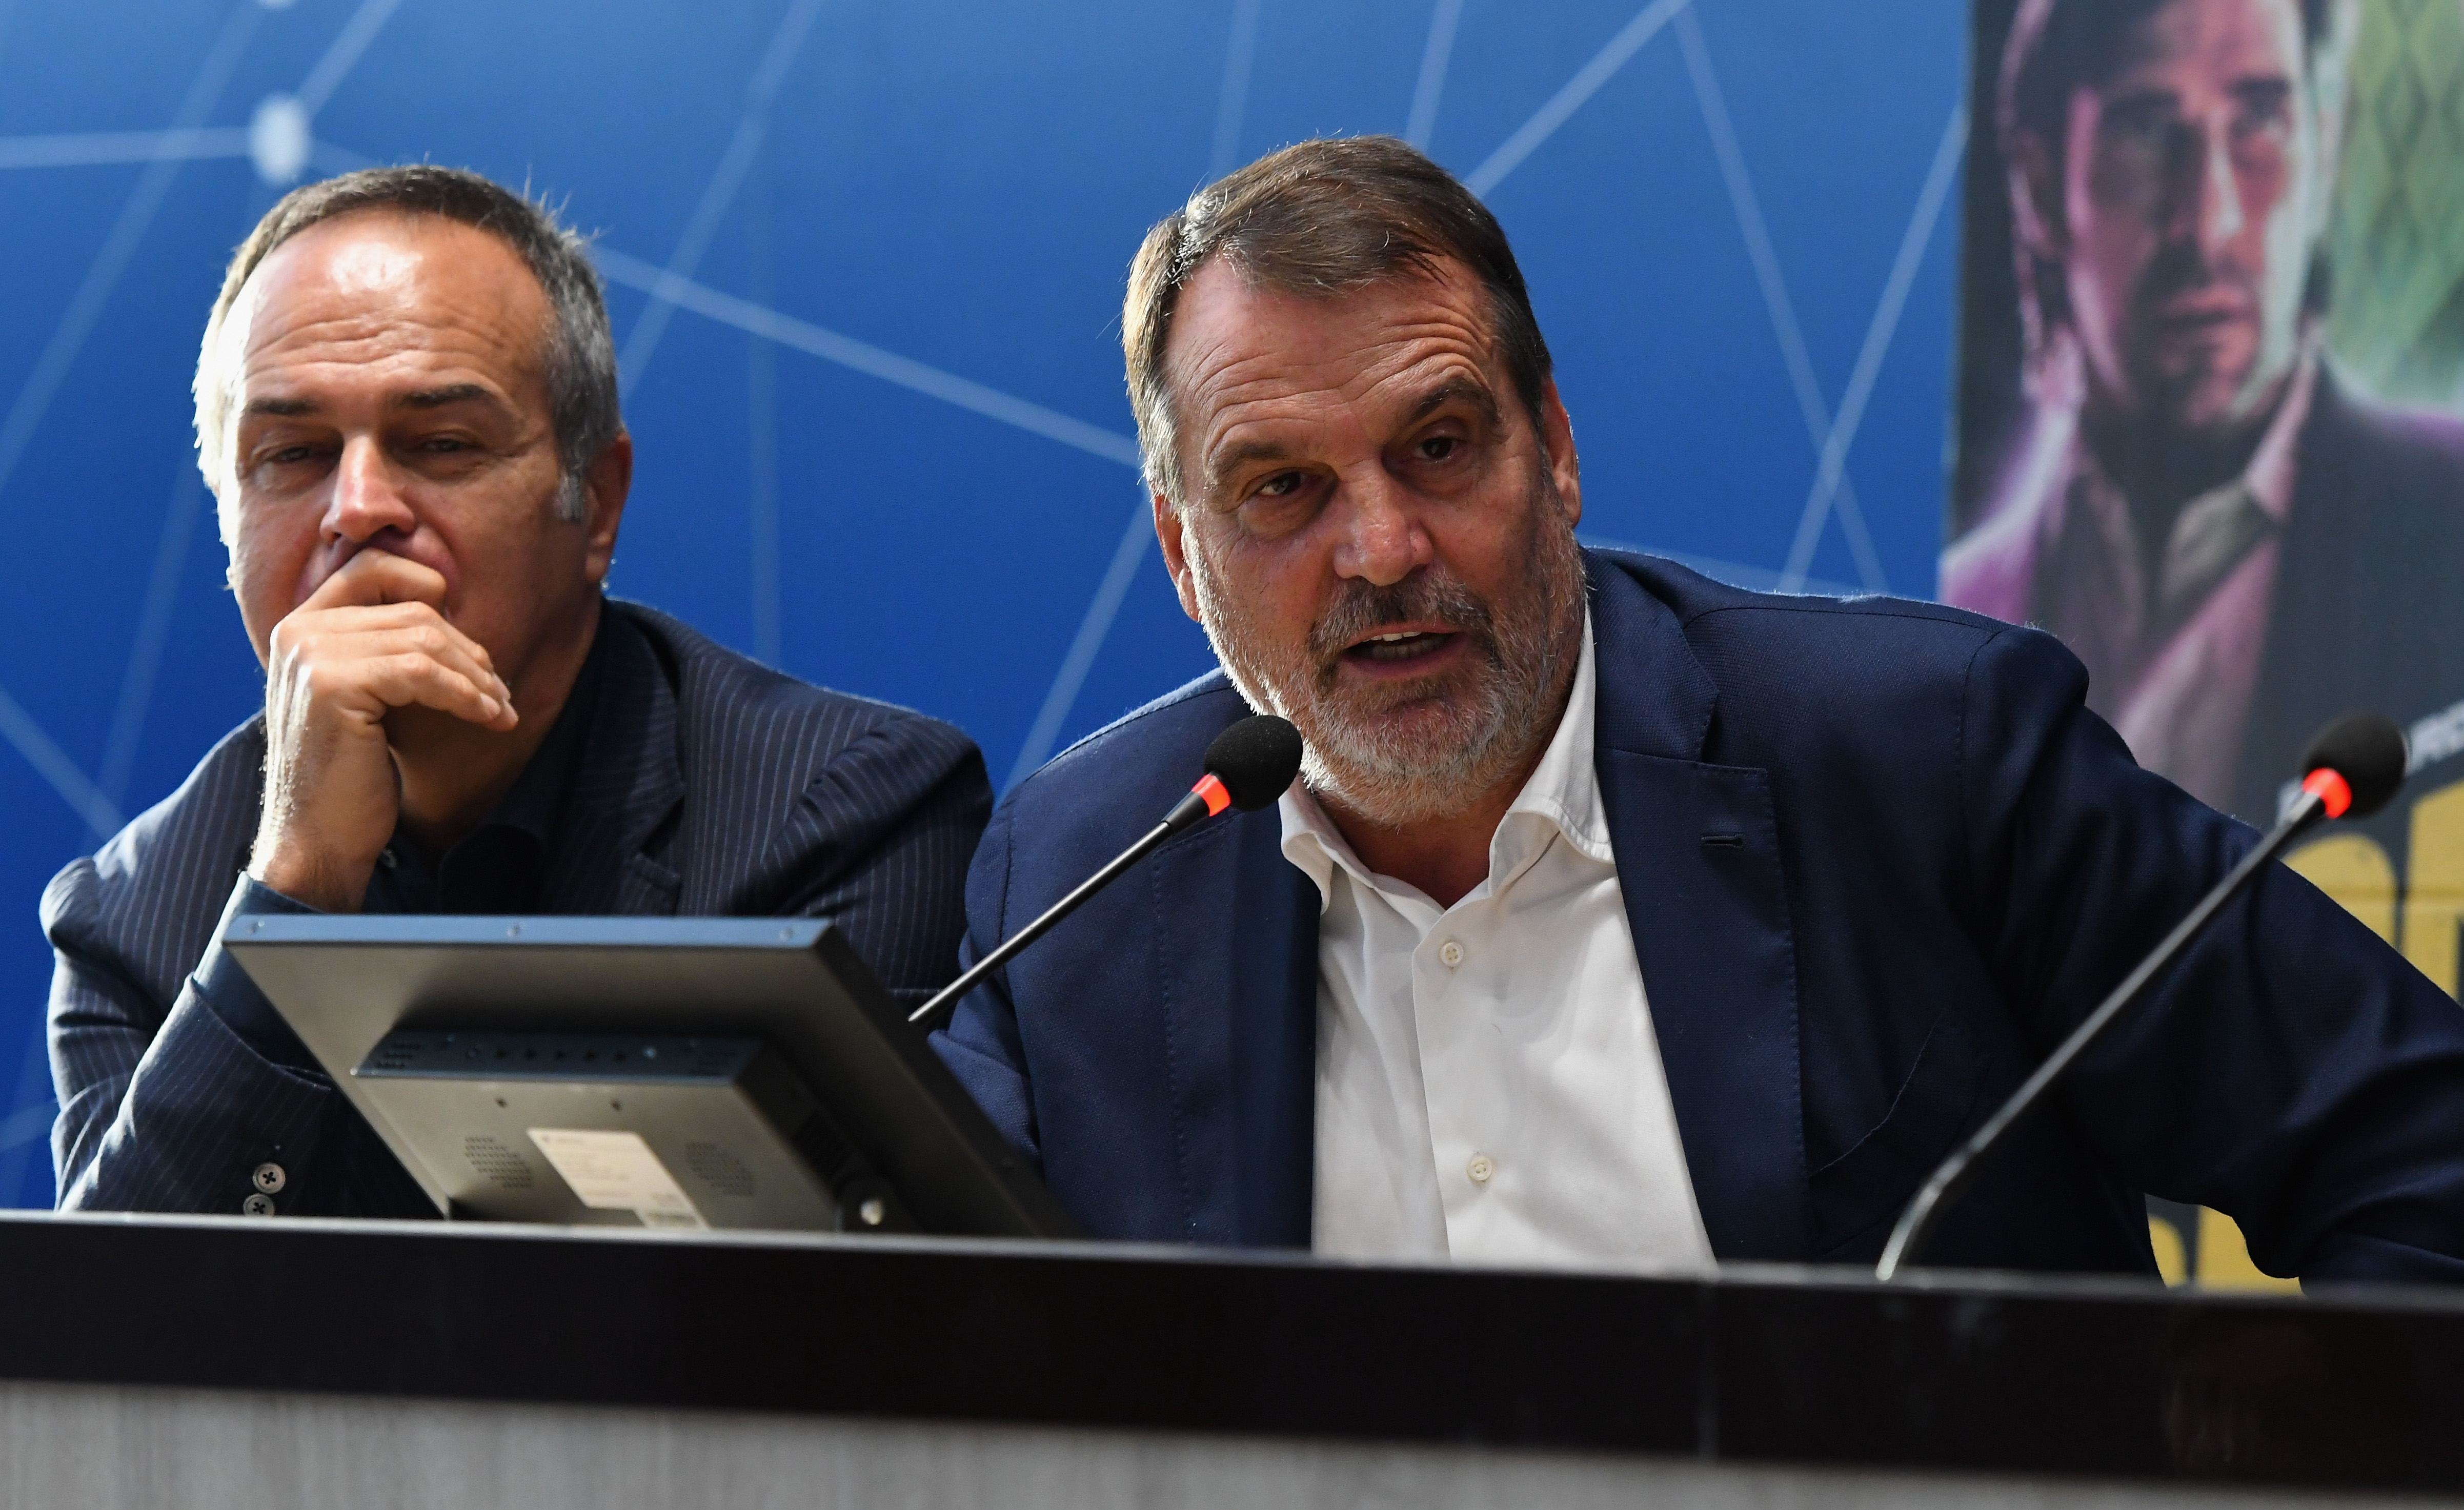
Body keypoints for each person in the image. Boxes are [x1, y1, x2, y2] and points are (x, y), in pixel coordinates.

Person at [933, 136, 2464, 1282]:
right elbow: (901, 1329)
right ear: (1180, 559)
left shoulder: (1925, 758)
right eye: (1281, 489)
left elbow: (2420, 1157)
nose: (1383, 549)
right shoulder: (1076, 885)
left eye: (1442, 446)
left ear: (1557, 452)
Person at [45, 167, 991, 1218]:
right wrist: (299, 887)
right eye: (293, 454)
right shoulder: (132, 914)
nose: (357, 509)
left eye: (441, 444)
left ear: (597, 507)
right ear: (226, 522)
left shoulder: (845, 812)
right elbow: (110, 1338)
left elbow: (866, 1325)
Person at [1942, 0, 2464, 821]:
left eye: (2259, 120)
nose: (2208, 220)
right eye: (2148, 129)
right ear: (2041, 189)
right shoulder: (1955, 609)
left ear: (2324, 150)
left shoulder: (2448, 529)